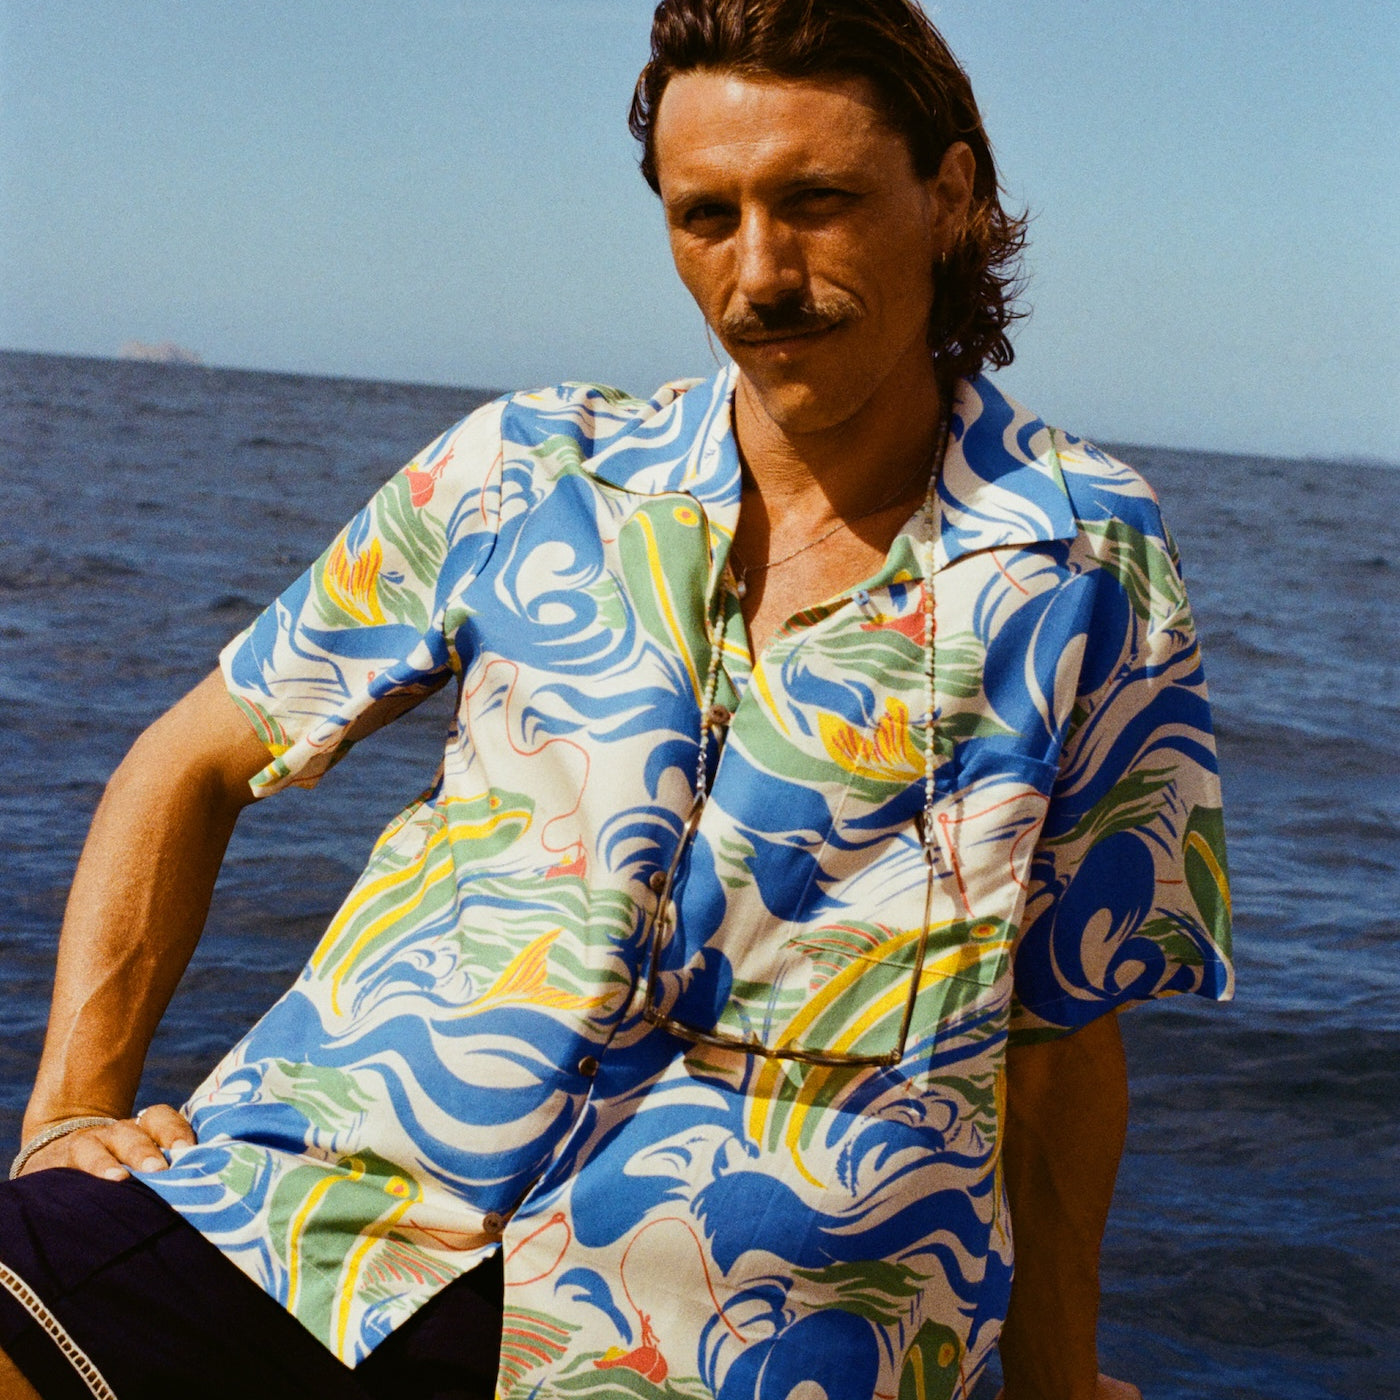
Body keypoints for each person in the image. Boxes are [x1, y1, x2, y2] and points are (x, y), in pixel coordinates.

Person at [0, 1, 1233, 1397]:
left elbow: (1065, 1024)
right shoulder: (527, 470)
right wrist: (71, 1112)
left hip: (722, 1334)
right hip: (303, 1224)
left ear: (949, 197)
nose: (758, 274)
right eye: (707, 216)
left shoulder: (1082, 558)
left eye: (816, 203)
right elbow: (190, 760)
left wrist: (1058, 1379)